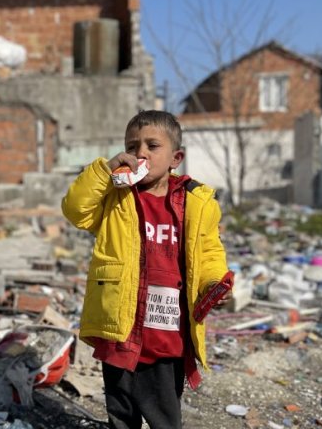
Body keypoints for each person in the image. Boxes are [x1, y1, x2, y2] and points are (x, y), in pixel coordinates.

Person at [61, 110, 231, 429]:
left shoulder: (196, 202)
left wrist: (213, 283)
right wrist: (105, 170)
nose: (140, 153)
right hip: (120, 327)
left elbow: (209, 251)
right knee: (121, 415)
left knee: (163, 416)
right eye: (132, 145)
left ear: (175, 157)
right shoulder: (116, 198)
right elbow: (75, 210)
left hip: (167, 333)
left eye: (152, 146)